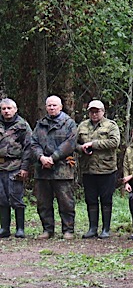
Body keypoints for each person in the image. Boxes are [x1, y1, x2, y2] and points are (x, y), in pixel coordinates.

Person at [29, 96, 78, 239]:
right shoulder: (40, 124)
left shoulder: (69, 123)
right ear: (45, 107)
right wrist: (41, 157)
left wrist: (53, 157)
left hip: (62, 169)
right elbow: (33, 143)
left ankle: (68, 230)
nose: (51, 108)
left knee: (66, 201)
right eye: (49, 105)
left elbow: (70, 144)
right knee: (43, 202)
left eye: (54, 105)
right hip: (42, 169)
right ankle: (47, 230)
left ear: (61, 107)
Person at [76, 100, 122, 239]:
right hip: (88, 169)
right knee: (90, 199)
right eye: (92, 111)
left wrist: (93, 144)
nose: (94, 114)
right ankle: (92, 228)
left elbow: (115, 142)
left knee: (106, 199)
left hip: (106, 169)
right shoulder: (82, 125)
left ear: (103, 112)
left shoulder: (110, 125)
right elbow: (74, 143)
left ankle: (106, 229)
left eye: (97, 111)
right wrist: (81, 148)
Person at [0, 98, 32, 238]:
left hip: (15, 165)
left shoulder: (22, 125)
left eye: (9, 108)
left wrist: (24, 168)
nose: (6, 111)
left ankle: (20, 229)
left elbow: (28, 148)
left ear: (15, 109)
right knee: (1, 198)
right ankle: (4, 228)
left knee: (16, 198)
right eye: (4, 109)